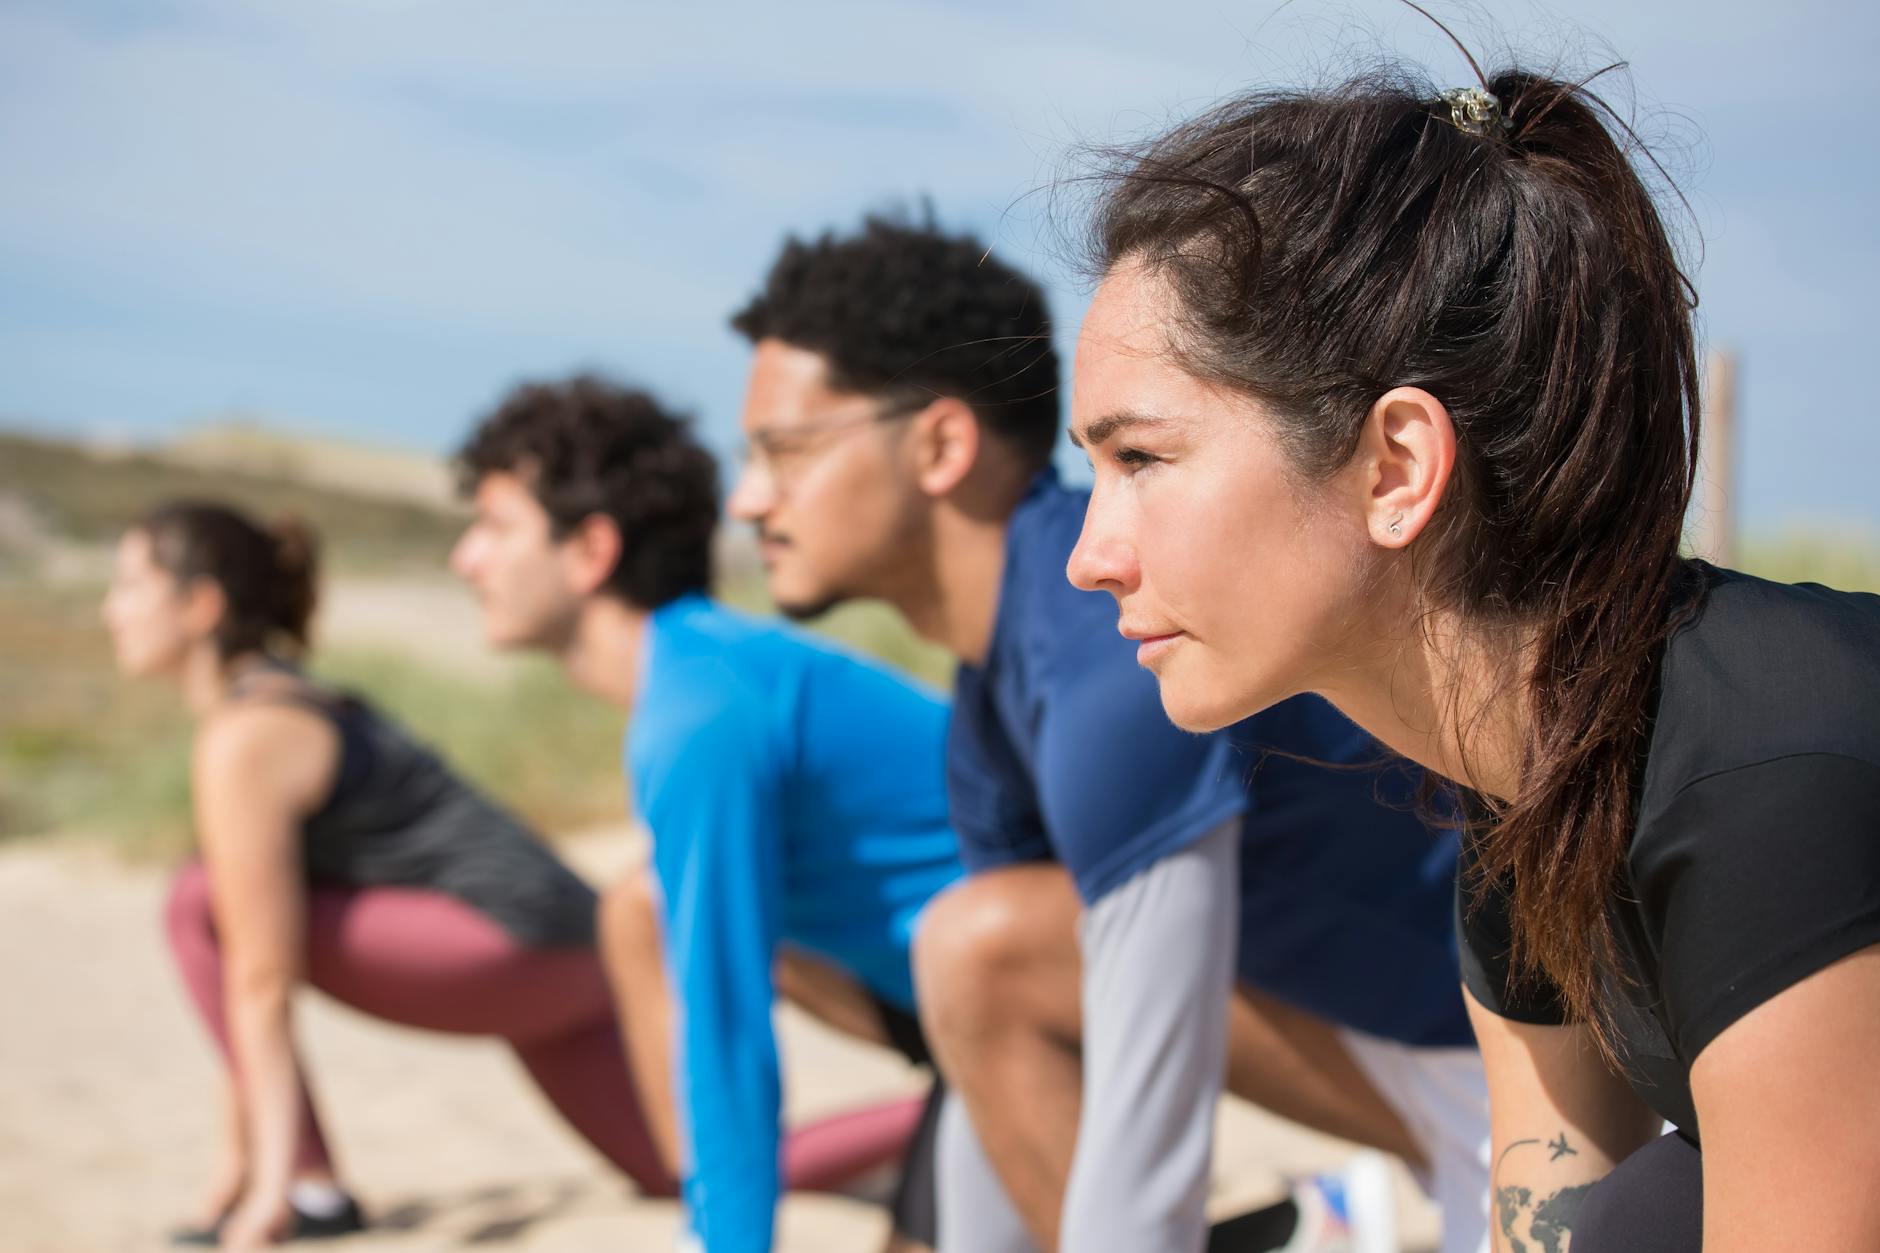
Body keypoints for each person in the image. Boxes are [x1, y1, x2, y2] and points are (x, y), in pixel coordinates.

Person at [1064, 53, 1880, 1253]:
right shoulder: (1531, 794)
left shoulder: (1761, 783)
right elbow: (1539, 1218)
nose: (1089, 554)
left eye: (1140, 459)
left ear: (1394, 465)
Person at [726, 214, 1492, 1253]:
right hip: (1401, 1054)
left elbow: (1148, 1161)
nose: (748, 499)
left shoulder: (1111, 649)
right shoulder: (998, 683)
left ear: (941, 444)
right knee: (983, 948)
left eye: (786, 450)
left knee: (980, 944)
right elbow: (990, 1057)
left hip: (1534, 1076)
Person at [449, 376, 964, 1253]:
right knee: (638, 907)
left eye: (496, 527)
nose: (467, 558)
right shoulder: (699, 669)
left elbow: (724, 1022)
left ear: (590, 551)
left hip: (1041, 994)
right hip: (936, 998)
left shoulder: (699, 712)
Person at [105, 500, 674, 1251]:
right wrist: (234, 1167)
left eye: (129, 585)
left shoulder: (249, 733)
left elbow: (258, 979)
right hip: (577, 954)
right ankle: (892, 1127)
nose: (111, 609)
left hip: (519, 946)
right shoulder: (284, 699)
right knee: (680, 1171)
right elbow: (249, 977)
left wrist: (264, 1198)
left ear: (201, 605)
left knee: (197, 900)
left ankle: (310, 1187)